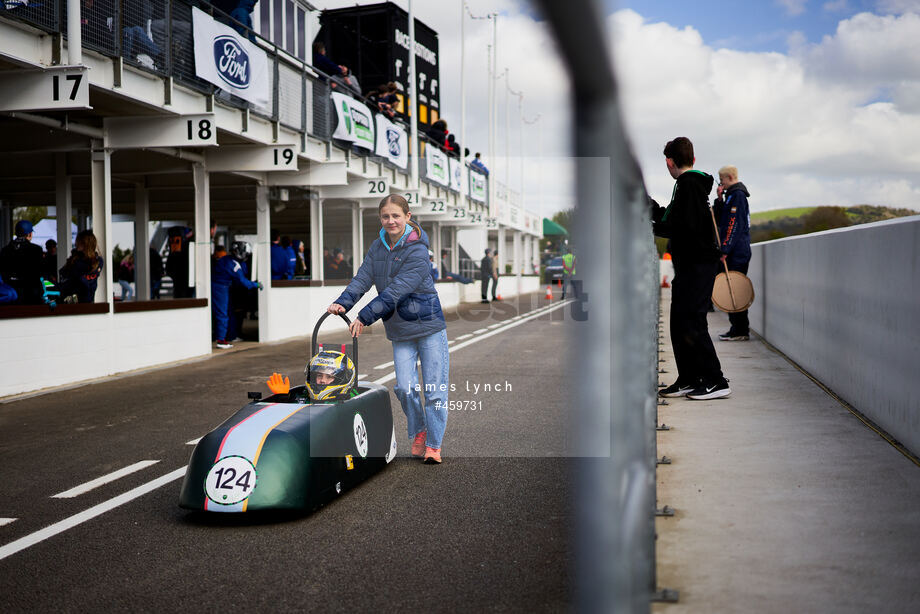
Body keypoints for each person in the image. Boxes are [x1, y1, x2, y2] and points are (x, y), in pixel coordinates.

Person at [328, 194, 449, 464]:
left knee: (434, 391)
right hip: (400, 329)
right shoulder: (377, 247)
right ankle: (419, 430)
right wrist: (342, 302)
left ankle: (434, 444)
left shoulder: (418, 250)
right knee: (405, 388)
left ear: (408, 216)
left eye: (396, 215)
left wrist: (365, 316)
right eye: (386, 216)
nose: (391, 221)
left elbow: (397, 290)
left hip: (429, 328)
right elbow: (362, 278)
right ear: (380, 219)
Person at [648, 136, 730, 400]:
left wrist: (652, 227)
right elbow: (671, 218)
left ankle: (716, 380)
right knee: (680, 322)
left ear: (669, 162)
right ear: (692, 159)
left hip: (698, 264)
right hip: (691, 264)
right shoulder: (689, 185)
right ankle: (690, 377)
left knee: (693, 321)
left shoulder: (689, 185)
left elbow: (683, 227)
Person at [714, 165, 752, 341]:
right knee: (730, 290)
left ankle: (740, 329)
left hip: (737, 252)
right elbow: (722, 217)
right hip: (733, 251)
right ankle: (736, 327)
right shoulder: (730, 196)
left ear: (729, 177)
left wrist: (725, 249)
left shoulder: (737, 196)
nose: (721, 184)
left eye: (722, 181)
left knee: (735, 289)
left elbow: (733, 225)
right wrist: (720, 199)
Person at [212, 244, 261, 349]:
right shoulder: (234, 265)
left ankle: (222, 336)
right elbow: (244, 282)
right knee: (223, 314)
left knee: (224, 313)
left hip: (219, 287)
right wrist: (256, 284)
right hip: (220, 288)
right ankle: (221, 340)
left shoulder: (226, 259)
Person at [265, 349, 358, 403]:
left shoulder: (352, 398)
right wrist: (283, 397)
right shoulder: (304, 397)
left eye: (329, 376)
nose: (323, 380)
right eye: (319, 375)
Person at [0, 220, 44, 304]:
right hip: (30, 295)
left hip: (9, 293)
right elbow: (39, 272)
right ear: (30, 234)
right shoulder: (36, 249)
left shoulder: (5, 250)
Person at [59, 230, 104, 303]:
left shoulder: (97, 261)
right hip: (72, 300)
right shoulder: (75, 260)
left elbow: (85, 283)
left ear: (85, 244)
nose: (76, 244)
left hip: (86, 300)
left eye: (78, 242)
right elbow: (63, 274)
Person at [165, 226, 194, 298]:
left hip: (180, 283)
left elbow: (169, 269)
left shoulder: (174, 251)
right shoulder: (187, 247)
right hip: (185, 282)